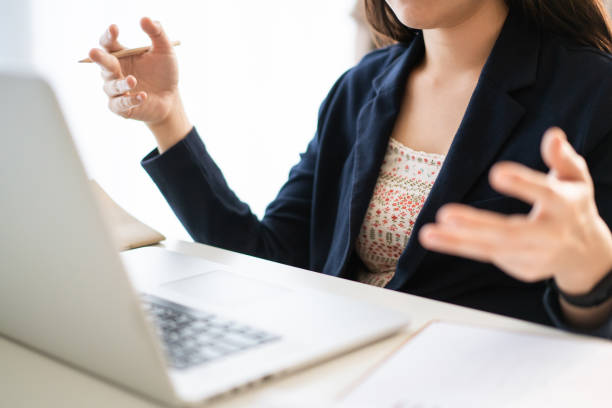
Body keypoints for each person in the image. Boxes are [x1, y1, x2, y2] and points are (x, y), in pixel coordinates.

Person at [88, 0, 612, 337]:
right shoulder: (360, 88)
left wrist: (589, 274)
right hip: (339, 371)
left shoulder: (593, 94)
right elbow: (268, 260)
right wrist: (167, 118)